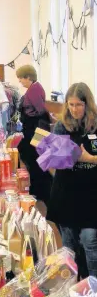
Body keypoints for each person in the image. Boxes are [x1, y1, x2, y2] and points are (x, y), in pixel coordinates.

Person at [47, 82, 97, 278]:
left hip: (91, 193)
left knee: (89, 239)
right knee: (68, 243)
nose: (74, 109)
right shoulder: (61, 126)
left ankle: (93, 287)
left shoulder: (96, 124)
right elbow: (53, 163)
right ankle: (70, 284)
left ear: (87, 104)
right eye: (71, 104)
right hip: (66, 192)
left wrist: (89, 159)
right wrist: (52, 157)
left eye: (79, 105)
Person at [16, 65, 53, 205]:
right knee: (33, 159)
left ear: (28, 77)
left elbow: (40, 112)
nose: (20, 82)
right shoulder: (33, 89)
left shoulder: (35, 89)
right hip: (33, 129)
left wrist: (38, 138)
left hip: (36, 131)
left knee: (36, 160)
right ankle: (37, 190)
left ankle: (41, 192)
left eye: (21, 79)